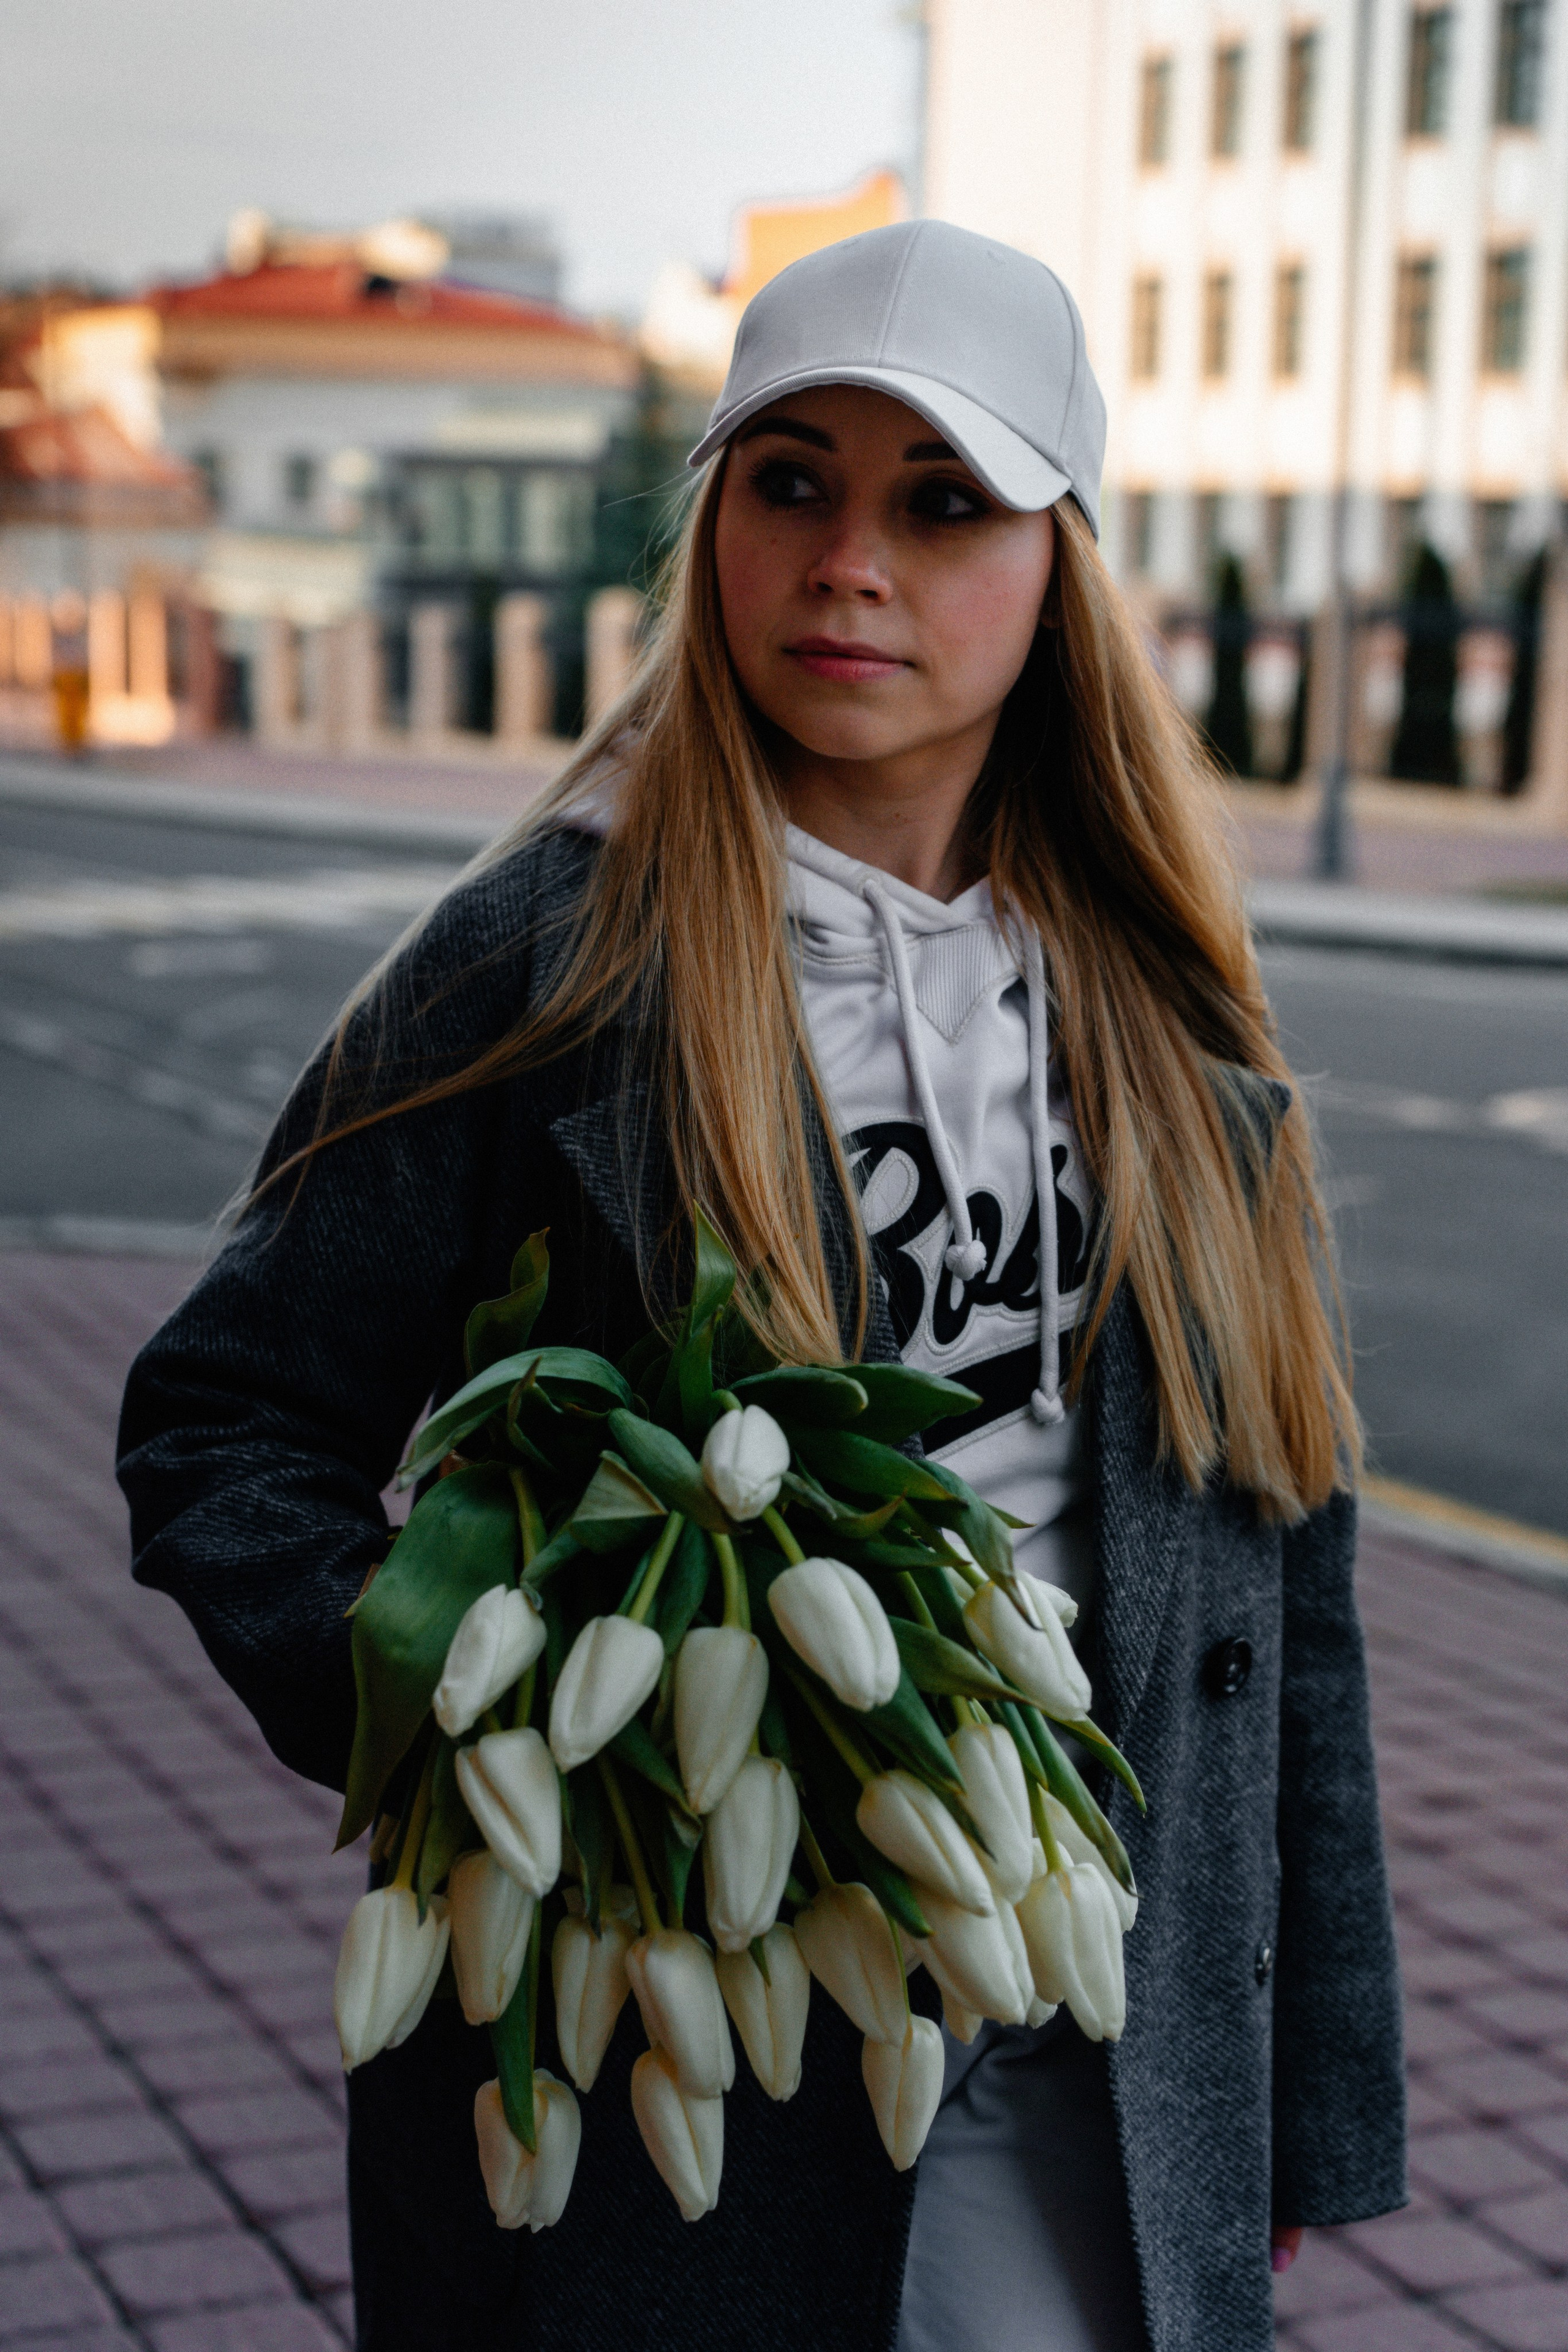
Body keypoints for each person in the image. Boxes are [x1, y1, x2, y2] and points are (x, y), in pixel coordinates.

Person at [118, 221, 1406, 2352]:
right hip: (676, 2034)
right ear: (714, 520)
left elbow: (1288, 1582)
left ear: (1059, 558)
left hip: (1093, 2011)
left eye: (943, 502)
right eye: (789, 481)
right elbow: (226, 1415)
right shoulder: (555, 957)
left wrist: (1284, 2110)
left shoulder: (1174, 1027)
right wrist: (484, 1724)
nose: (849, 562)